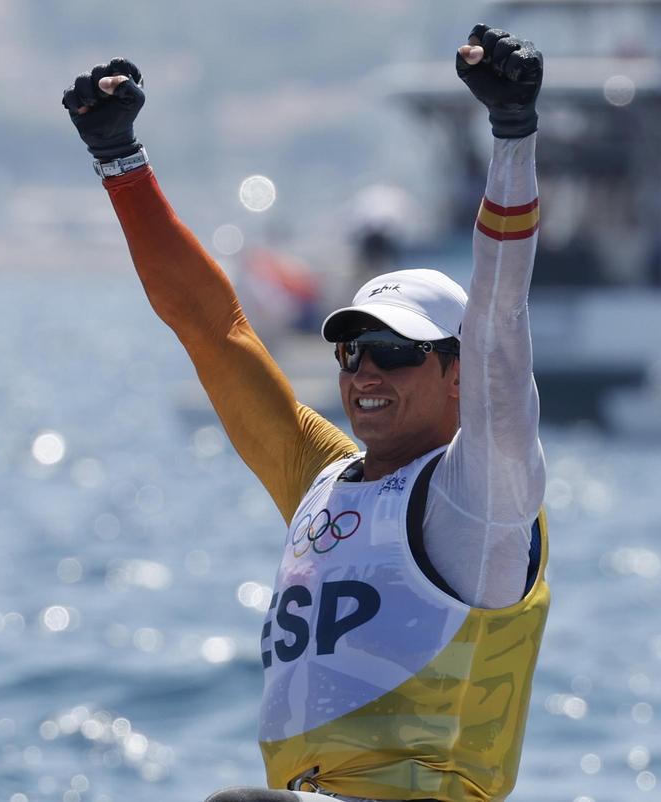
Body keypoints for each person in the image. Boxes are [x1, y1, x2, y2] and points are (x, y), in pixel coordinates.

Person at [63, 24, 548, 802]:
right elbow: (213, 330)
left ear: (460, 374)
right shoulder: (322, 477)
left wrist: (512, 135)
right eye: (351, 353)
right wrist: (119, 160)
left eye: (395, 352)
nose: (364, 372)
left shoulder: (483, 493)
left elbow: (500, 325)